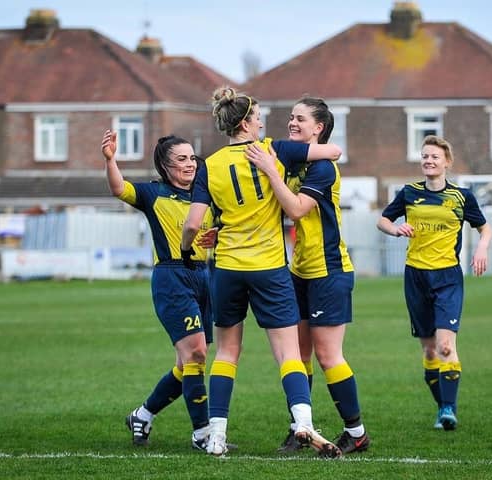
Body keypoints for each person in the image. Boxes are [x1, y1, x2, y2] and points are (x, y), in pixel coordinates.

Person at [181, 86, 343, 458]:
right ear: (246, 123)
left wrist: (189, 247)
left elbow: (192, 224)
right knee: (288, 353)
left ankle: (216, 436)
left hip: (227, 268)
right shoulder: (274, 149)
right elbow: (332, 151)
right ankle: (303, 422)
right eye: (257, 117)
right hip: (269, 267)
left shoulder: (210, 164)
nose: (262, 121)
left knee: (226, 352)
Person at [244, 96, 370, 455]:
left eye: (301, 119)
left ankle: (356, 432)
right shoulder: (290, 159)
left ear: (319, 128)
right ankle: (302, 427)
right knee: (297, 356)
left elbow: (298, 209)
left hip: (329, 271)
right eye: (291, 117)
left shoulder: (323, 168)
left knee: (329, 356)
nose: (292, 123)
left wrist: (270, 170)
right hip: (298, 271)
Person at [101, 130, 216, 450]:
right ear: (165, 166)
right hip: (172, 278)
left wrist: (215, 237)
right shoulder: (153, 194)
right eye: (182, 159)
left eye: (192, 157)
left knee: (188, 363)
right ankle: (203, 434)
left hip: (204, 277)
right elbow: (118, 188)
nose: (190, 164)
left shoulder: (204, 195)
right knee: (196, 353)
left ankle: (143, 414)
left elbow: (215, 230)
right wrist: (111, 160)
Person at [376, 135, 492, 430]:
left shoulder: (462, 197)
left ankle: (449, 409)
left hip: (447, 277)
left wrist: (481, 247)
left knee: (444, 345)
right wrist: (396, 229)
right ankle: (442, 406)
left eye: (435, 157)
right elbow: (383, 221)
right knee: (429, 351)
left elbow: (485, 229)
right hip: (415, 276)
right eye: (425, 156)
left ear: (446, 163)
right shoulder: (409, 192)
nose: (429, 160)